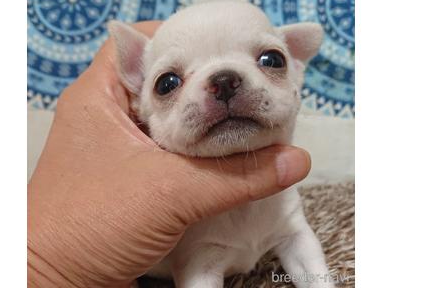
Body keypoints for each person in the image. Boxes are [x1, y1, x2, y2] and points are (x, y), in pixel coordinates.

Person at [27, 21, 312, 288]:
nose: (224, 85)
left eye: (270, 61)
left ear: (297, 68)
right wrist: (47, 267)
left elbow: (296, 236)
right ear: (138, 99)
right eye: (169, 83)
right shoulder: (165, 204)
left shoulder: (284, 197)